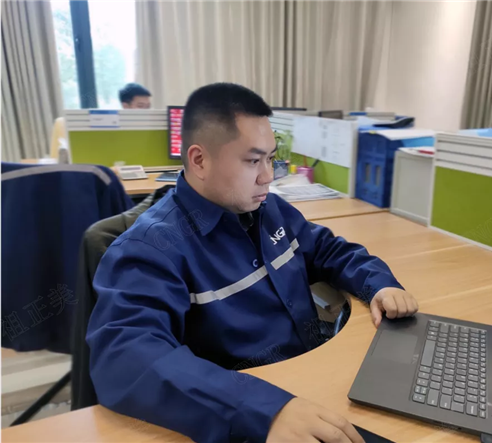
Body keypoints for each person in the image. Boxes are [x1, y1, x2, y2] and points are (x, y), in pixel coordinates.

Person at [88, 83, 419, 443]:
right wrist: (261, 410)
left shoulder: (267, 208)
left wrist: (378, 283)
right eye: (252, 161)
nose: (268, 176)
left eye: (270, 159)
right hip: (251, 410)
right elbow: (125, 357)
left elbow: (326, 249)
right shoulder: (149, 249)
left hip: (315, 378)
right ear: (199, 160)